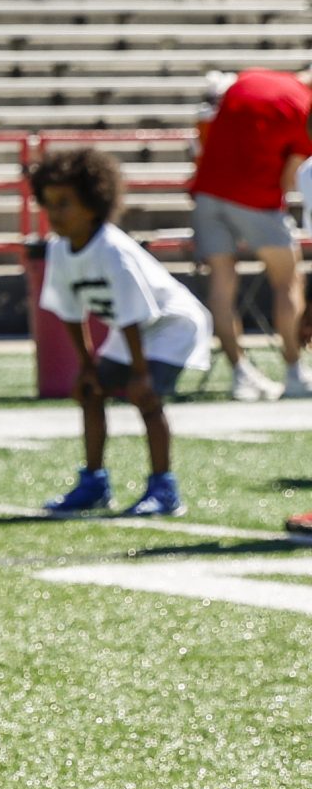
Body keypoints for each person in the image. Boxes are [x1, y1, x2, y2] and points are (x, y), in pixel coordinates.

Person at [33, 148, 211, 519]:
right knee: (91, 391)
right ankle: (94, 483)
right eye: (48, 204)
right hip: (135, 329)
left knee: (145, 397)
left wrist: (141, 373)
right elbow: (70, 312)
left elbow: (133, 315)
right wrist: (85, 367)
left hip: (171, 324)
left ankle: (165, 489)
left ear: (94, 202)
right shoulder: (60, 249)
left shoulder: (113, 250)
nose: (54, 214)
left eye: (64, 203)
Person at [188, 68, 310, 400]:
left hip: (208, 193)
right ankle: (294, 371)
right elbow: (288, 180)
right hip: (257, 200)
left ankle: (240, 373)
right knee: (287, 280)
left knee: (222, 285)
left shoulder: (249, 77)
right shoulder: (305, 106)